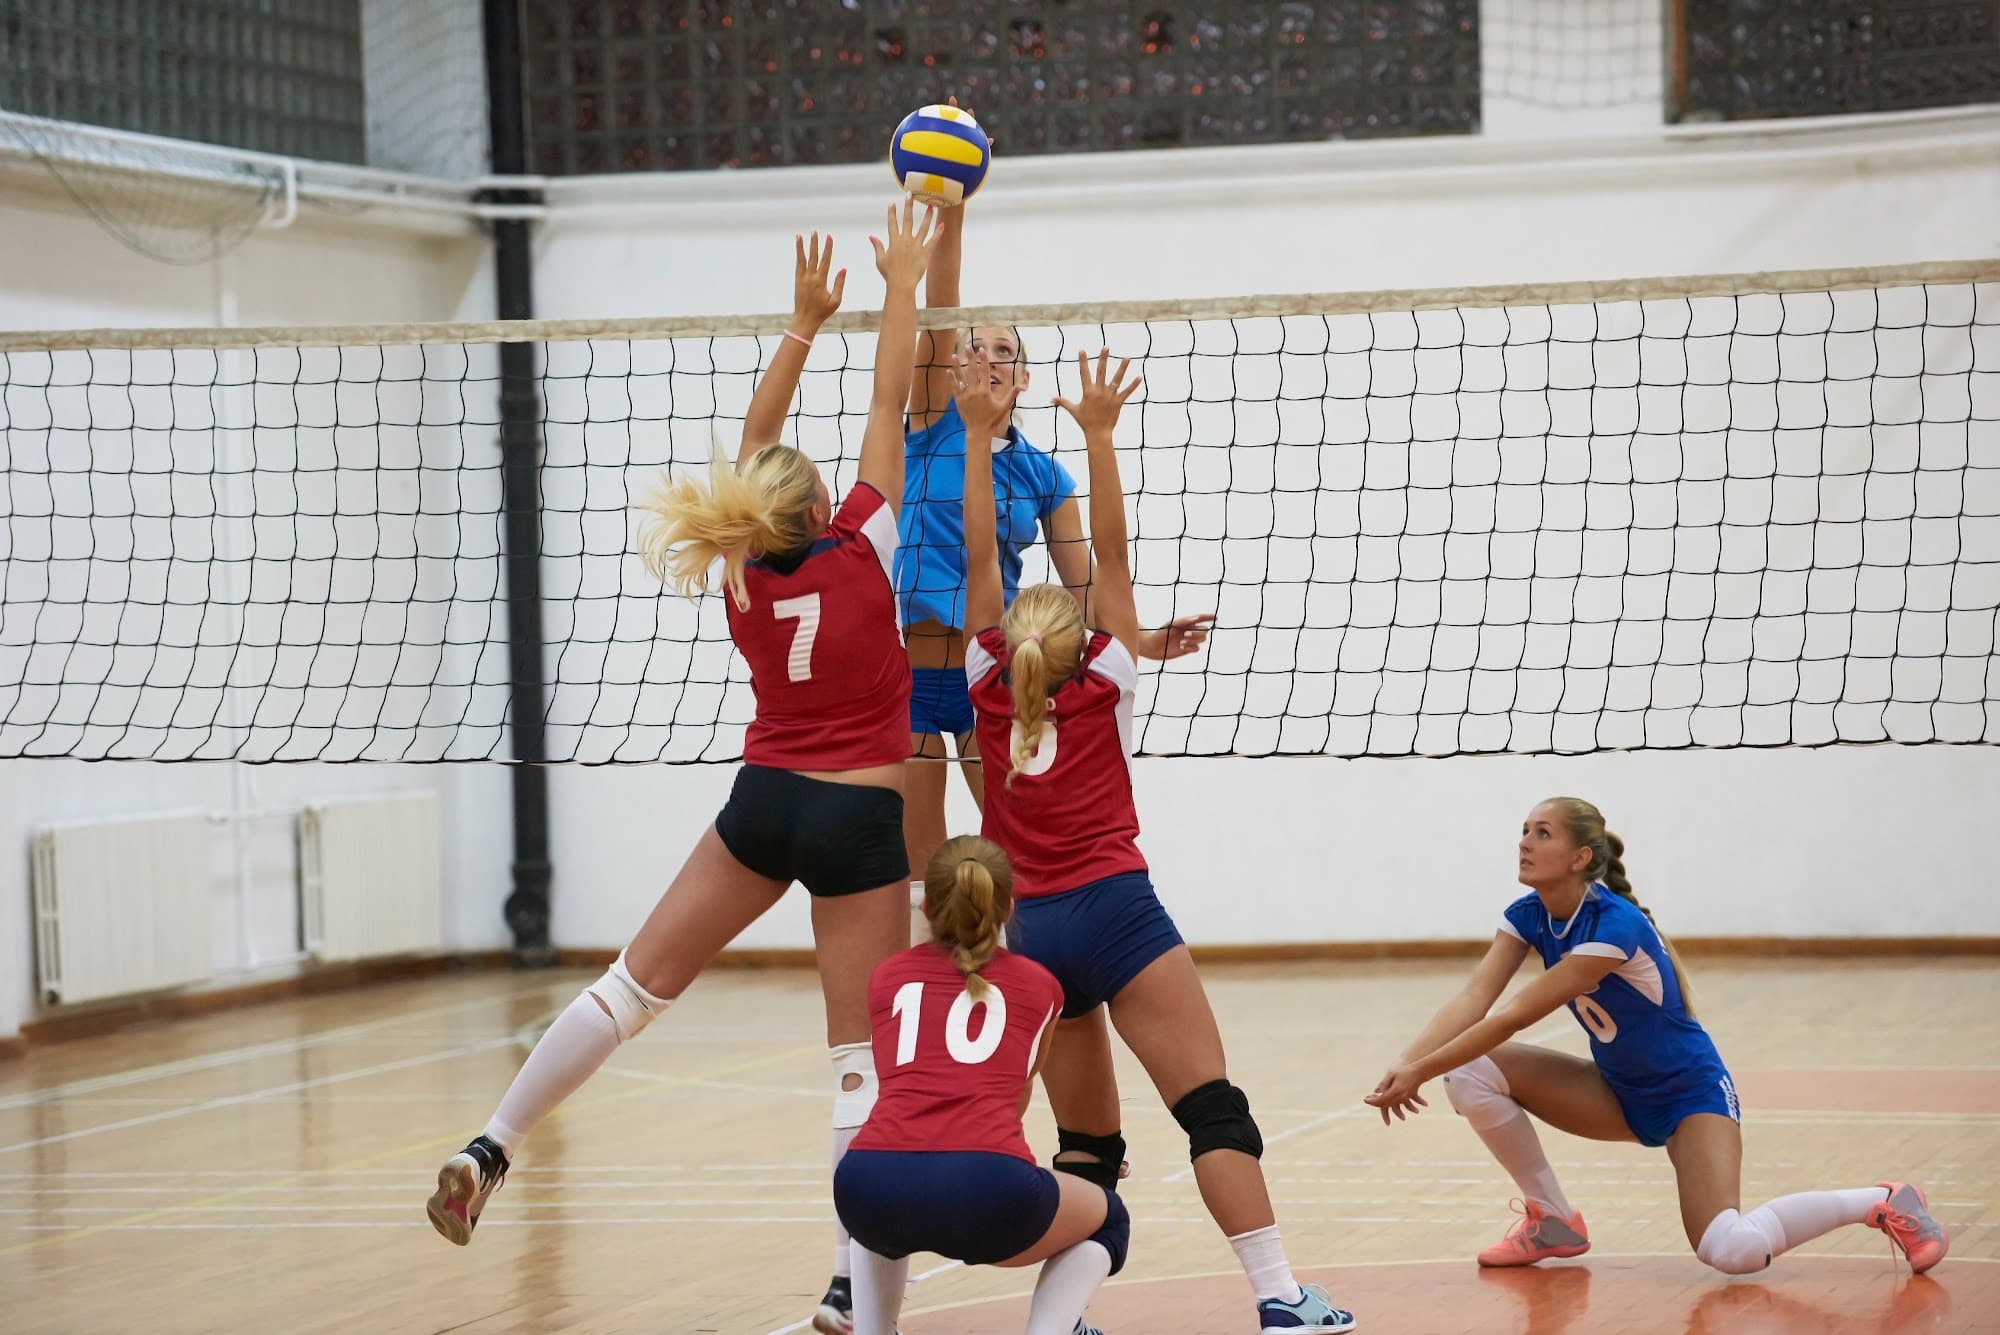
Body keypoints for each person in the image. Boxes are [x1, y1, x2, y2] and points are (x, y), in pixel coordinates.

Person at [425, 205, 943, 1335]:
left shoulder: (738, 570)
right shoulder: (867, 544)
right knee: (861, 1071)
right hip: (859, 820)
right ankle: (854, 1293)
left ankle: (493, 1143)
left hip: (759, 807)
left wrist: (800, 325)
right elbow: (886, 406)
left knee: (628, 990)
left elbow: (757, 447)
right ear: (818, 510)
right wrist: (901, 283)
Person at [954, 348, 1357, 1334]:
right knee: (1212, 1113)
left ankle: (1056, 1320)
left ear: (1010, 646)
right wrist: (1097, 435)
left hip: (1027, 934)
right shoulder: (1109, 676)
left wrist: (972, 433)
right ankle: (1278, 1299)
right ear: (1083, 636)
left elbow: (972, 558)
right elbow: (1113, 565)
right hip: (1118, 913)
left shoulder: (977, 684)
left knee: (1085, 1149)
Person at [1365, 796, 1949, 1279]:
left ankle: (1882, 1200)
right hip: (1617, 1093)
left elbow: (1513, 1014)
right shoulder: (1527, 914)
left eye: (1542, 833)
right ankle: (1554, 1220)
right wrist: (1408, 1059)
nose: (1524, 842)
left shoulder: (1614, 925)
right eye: (1523, 830)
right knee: (1467, 1072)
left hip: (1689, 1097)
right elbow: (1475, 996)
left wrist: (1416, 1070)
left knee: (1732, 1250)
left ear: (1580, 857)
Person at [897, 136, 1212, 899]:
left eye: (1003, 348)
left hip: (990, 673)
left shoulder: (1045, 473)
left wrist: (1138, 637)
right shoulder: (934, 418)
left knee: (1018, 856)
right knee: (917, 877)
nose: (986, 356)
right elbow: (939, 309)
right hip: (904, 670)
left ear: (1025, 375)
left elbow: (1086, 587)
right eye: (974, 346)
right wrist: (953, 212)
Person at [836, 835, 1127, 1335]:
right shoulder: (1041, 986)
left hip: (865, 1181)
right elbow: (1012, 1097)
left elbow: (906, 1086)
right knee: (1109, 1219)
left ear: (926, 906)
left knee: (881, 1220)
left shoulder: (886, 977)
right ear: (1009, 906)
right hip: (987, 1188)